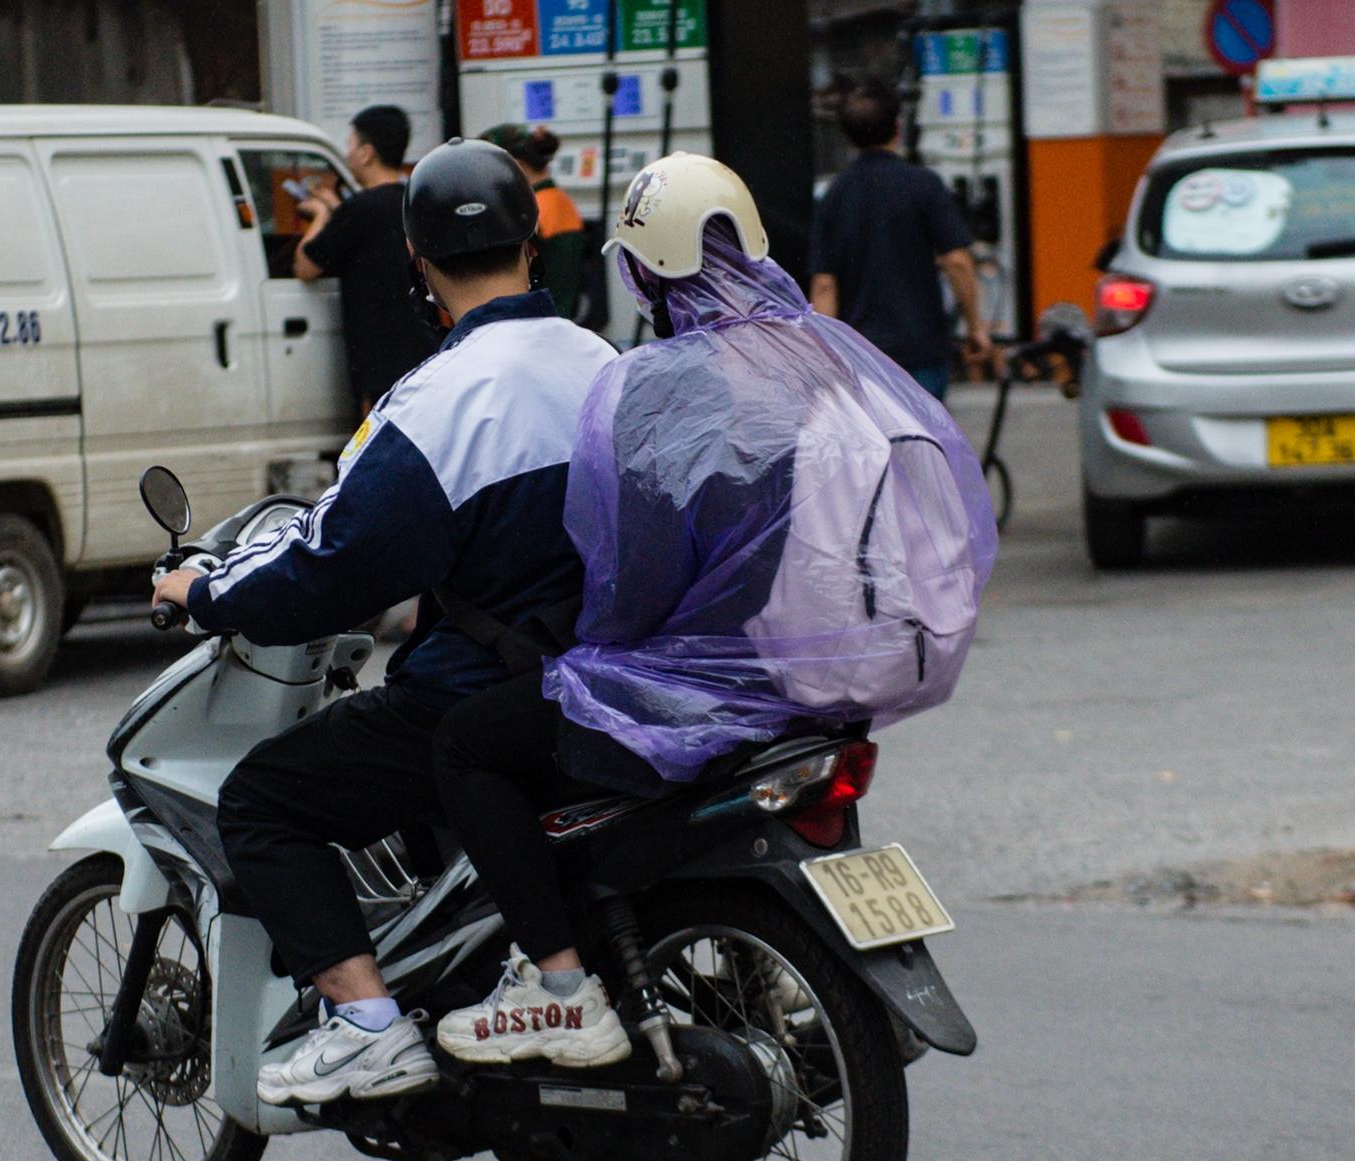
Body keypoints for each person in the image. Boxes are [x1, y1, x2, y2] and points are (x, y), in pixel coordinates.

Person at [429, 154, 996, 1063]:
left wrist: (590, 650)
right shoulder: (829, 351)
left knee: (469, 742)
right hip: (854, 671)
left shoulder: (656, 385)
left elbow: (629, 588)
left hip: (729, 684)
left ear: (640, 268)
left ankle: (558, 985)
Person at [151, 139, 624, 1105]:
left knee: (262, 801)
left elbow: (328, 568)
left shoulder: (435, 402)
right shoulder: (603, 363)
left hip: (487, 693)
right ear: (533, 241)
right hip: (610, 681)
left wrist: (204, 592)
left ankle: (367, 1025)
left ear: (417, 264)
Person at [807, 78, 991, 401]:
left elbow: (824, 285)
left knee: (876, 449)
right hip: (922, 350)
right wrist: (975, 327)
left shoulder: (833, 197)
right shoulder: (924, 185)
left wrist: (828, 355)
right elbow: (957, 262)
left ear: (847, 135)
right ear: (898, 127)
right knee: (928, 445)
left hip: (861, 356)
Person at [292, 104, 441, 411]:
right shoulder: (416, 199)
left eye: (350, 145)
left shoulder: (360, 208)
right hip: (423, 352)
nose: (347, 154)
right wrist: (338, 211)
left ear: (366, 153)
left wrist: (320, 215)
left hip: (377, 364)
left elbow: (305, 266)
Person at [482, 123, 587, 320]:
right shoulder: (560, 201)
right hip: (560, 323)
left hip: (536, 323)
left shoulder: (529, 212)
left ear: (515, 164)